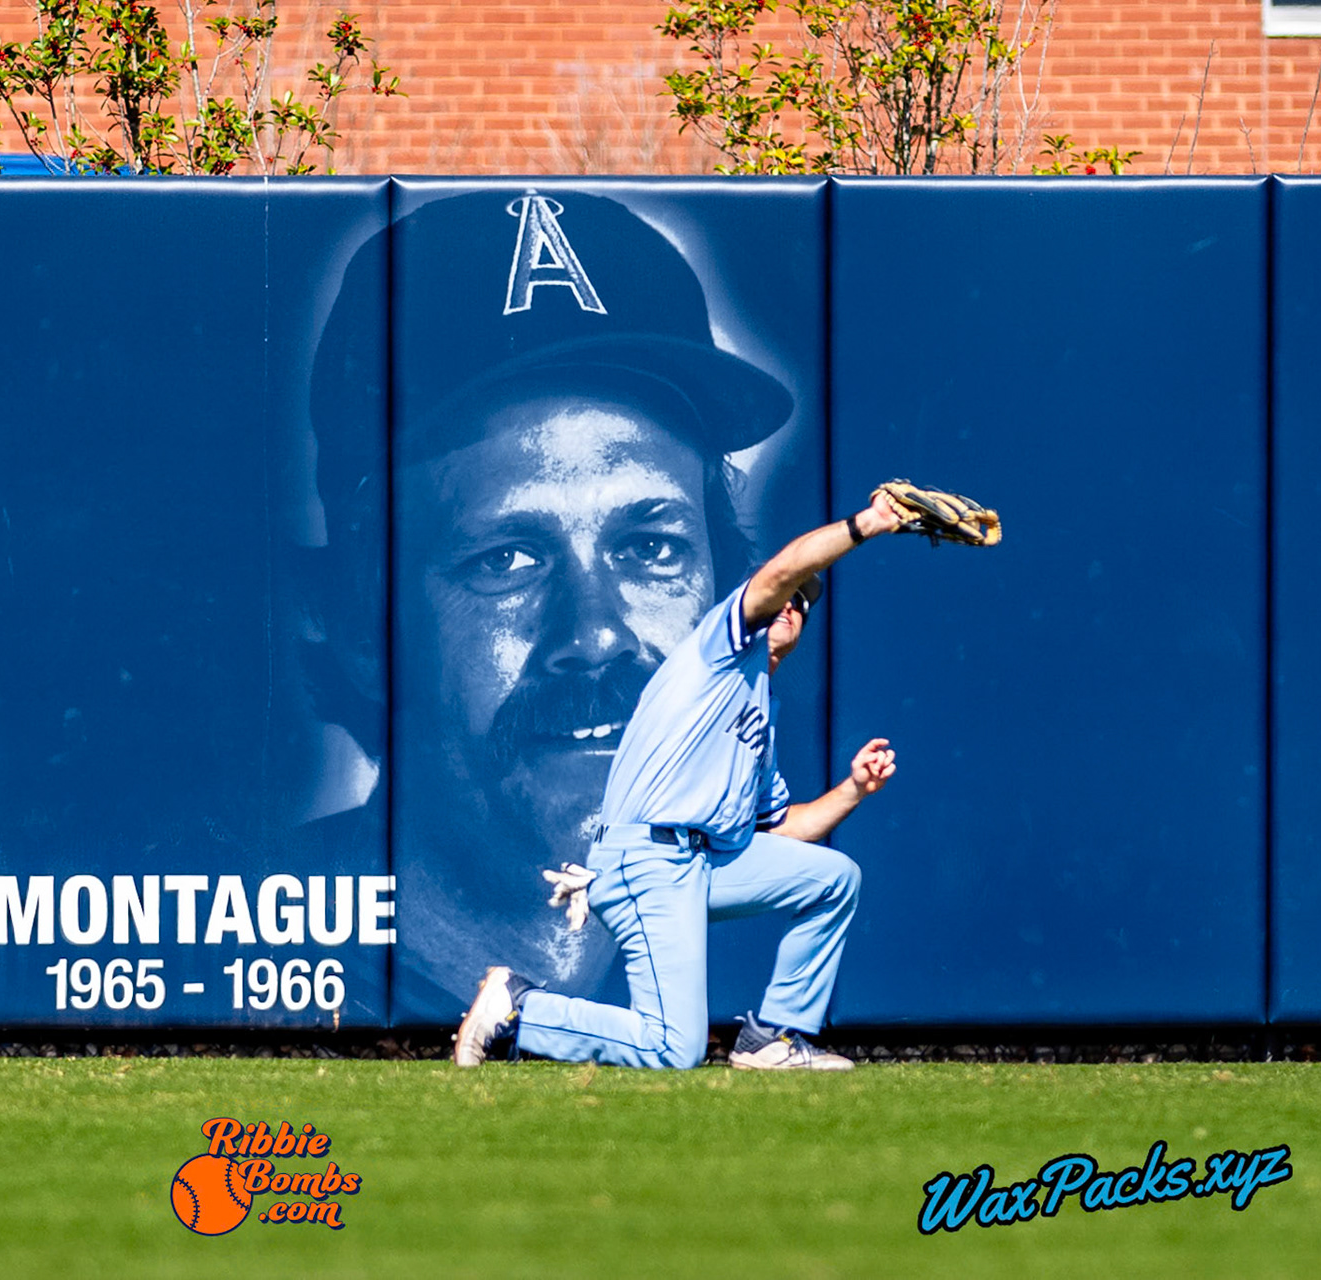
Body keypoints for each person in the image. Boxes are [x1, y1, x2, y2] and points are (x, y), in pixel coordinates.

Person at [306, 188, 803, 1018]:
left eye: (652, 548)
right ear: (364, 622)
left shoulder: (788, 955)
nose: (597, 635)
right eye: (506, 558)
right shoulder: (248, 977)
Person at [452, 486, 909, 1070]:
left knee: (832, 877)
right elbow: (785, 569)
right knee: (672, 1048)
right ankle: (520, 1009)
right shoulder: (720, 651)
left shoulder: (760, 708)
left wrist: (853, 790)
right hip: (648, 859)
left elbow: (778, 828)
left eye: (804, 603)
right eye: (785, 597)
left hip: (700, 864)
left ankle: (772, 1038)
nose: (792, 604)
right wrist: (866, 524)